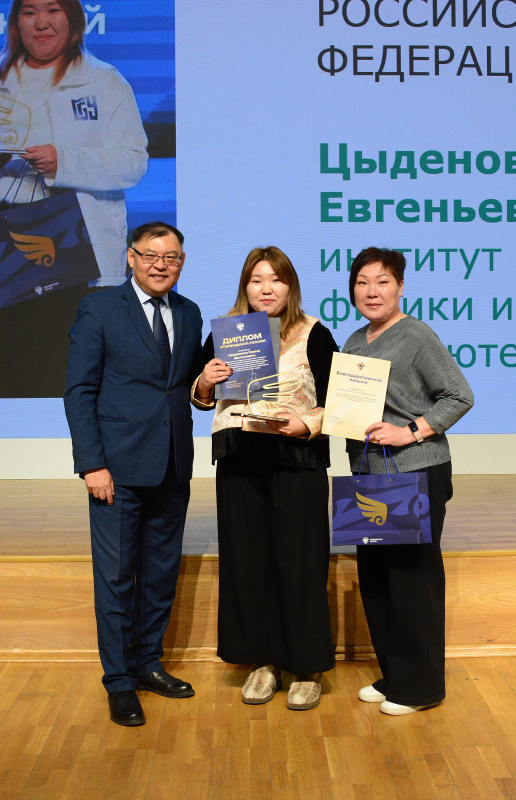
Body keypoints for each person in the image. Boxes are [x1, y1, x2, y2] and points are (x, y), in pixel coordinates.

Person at [64, 221, 202, 727]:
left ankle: (148, 665)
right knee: (117, 581)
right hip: (116, 472)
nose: (161, 265)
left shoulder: (188, 312)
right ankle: (119, 682)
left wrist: (209, 387)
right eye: (151, 255)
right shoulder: (100, 307)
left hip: (172, 467)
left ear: (181, 262)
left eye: (172, 257)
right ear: (130, 257)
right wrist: (92, 464)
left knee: (160, 578)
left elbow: (184, 387)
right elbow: (80, 390)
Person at [192, 246, 338, 710]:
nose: (266, 288)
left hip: (297, 460)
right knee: (248, 563)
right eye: (257, 280)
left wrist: (307, 422)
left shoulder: (315, 332)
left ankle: (306, 667)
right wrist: (205, 381)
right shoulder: (227, 332)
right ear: (245, 286)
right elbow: (199, 396)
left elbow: (340, 401)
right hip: (239, 460)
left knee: (300, 563)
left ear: (290, 286)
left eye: (276, 279)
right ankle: (262, 662)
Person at [342, 247, 474, 716]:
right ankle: (396, 675)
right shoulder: (354, 340)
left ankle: (421, 688)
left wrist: (410, 431)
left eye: (383, 281)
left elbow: (459, 395)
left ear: (400, 286)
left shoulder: (416, 335)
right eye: (362, 282)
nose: (372, 291)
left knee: (412, 582)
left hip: (413, 470)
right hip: (368, 474)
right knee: (378, 581)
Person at [0, 0, 148, 395]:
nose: (41, 23)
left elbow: (133, 163)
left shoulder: (104, 81)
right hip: (8, 260)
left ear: (74, 19)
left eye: (53, 10)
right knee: (13, 379)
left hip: (80, 257)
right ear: (15, 22)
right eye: (29, 12)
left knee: (72, 379)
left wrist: (63, 161)